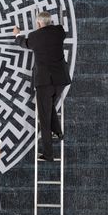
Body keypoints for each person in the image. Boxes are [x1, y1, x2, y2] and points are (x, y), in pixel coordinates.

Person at [13, 11, 71, 161]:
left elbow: (23, 43)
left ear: (38, 23)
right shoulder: (59, 31)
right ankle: (57, 131)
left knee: (44, 118)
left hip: (44, 82)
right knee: (49, 106)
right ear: (50, 22)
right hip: (60, 80)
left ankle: (49, 154)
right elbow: (58, 34)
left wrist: (17, 35)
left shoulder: (34, 37)